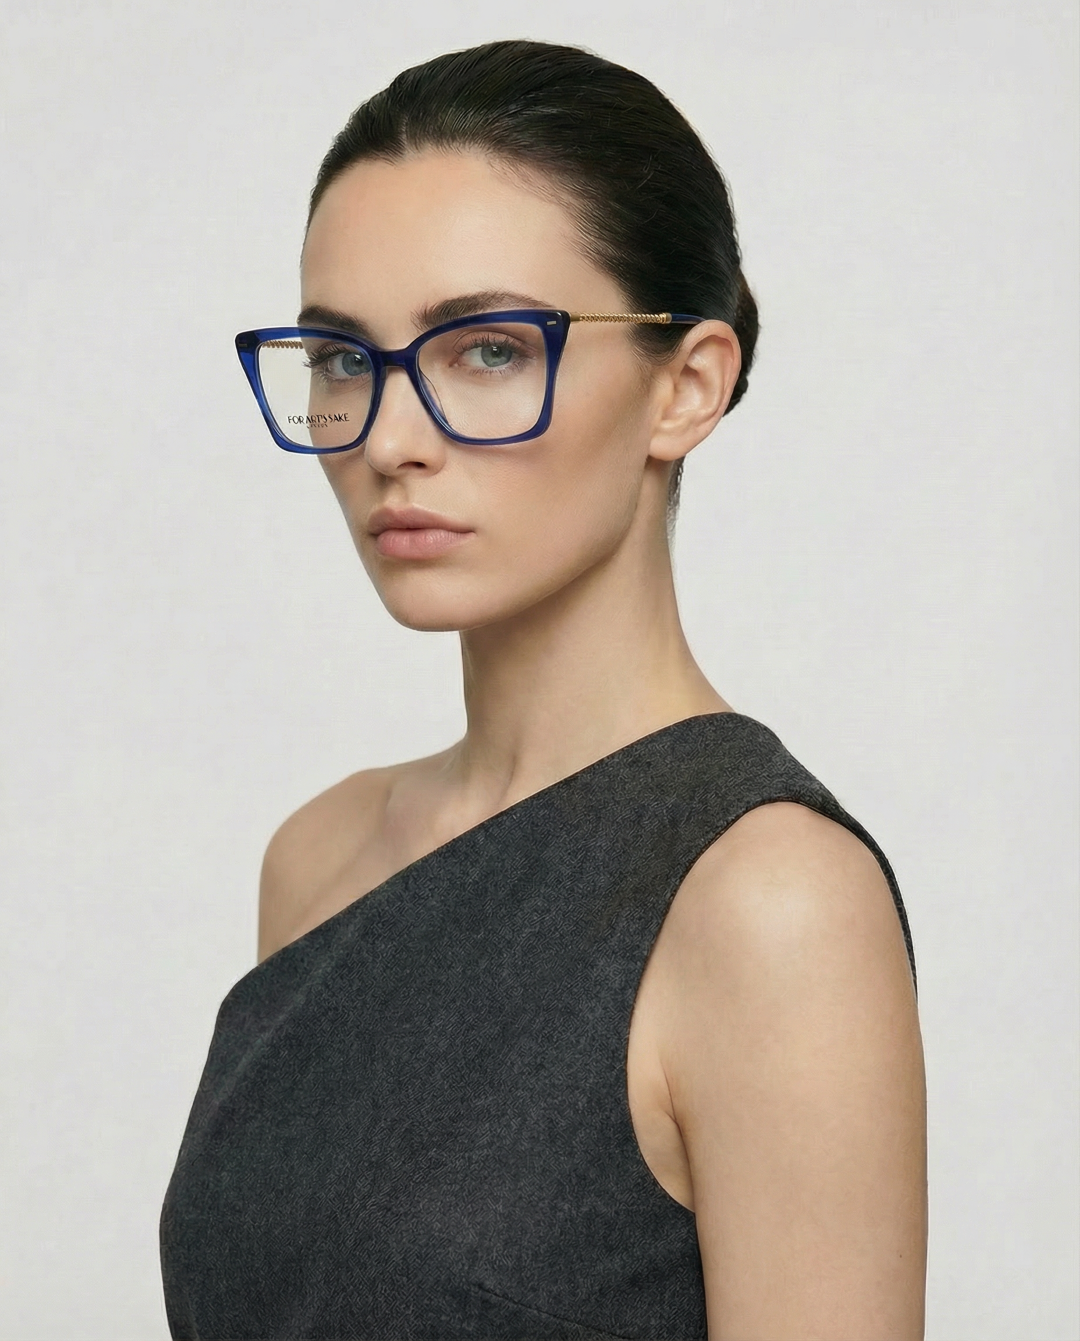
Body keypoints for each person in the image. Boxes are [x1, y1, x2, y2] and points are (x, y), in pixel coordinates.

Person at [160, 37, 927, 1340]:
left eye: (489, 351)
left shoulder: (767, 902)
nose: (392, 438)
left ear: (686, 386)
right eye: (345, 359)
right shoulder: (321, 860)